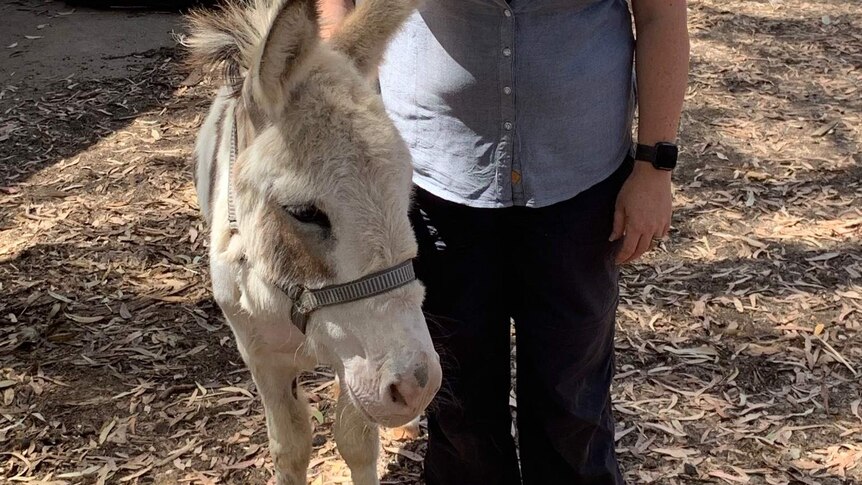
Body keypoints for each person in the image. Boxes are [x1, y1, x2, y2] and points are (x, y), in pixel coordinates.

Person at [321, 0, 689, 483]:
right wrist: (346, 120)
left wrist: (654, 166)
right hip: (435, 177)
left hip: (581, 179)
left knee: (572, 391)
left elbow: (661, 16)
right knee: (457, 394)